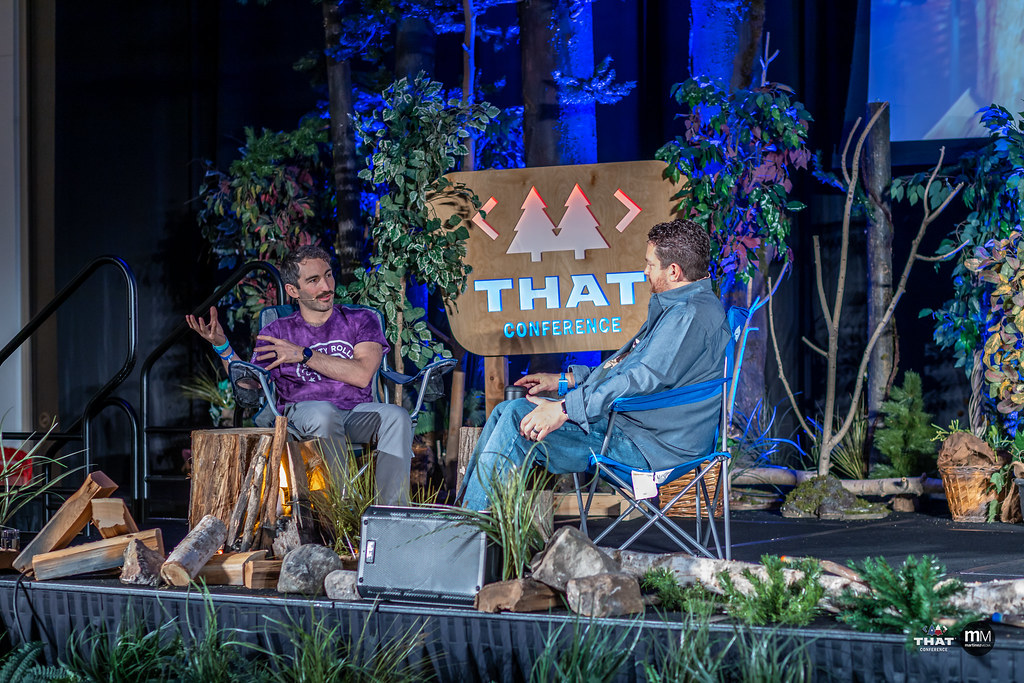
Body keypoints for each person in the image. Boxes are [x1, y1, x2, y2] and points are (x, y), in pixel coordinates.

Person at [460, 218, 731, 511]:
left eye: (651, 264)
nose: (645, 271)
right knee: (505, 411)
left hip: (651, 446)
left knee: (516, 418)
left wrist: (565, 409)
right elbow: (626, 367)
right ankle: (466, 518)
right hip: (641, 428)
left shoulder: (686, 316)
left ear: (674, 271)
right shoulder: (687, 306)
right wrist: (565, 381)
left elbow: (638, 378)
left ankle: (467, 531)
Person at [186, 245, 413, 505]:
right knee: (323, 414)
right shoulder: (278, 331)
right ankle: (339, 509)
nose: (326, 286)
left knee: (397, 417)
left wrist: (303, 354)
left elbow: (362, 375)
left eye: (328, 275)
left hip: (355, 412)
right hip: (302, 415)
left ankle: (391, 514)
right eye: (313, 280)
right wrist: (223, 346)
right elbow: (250, 385)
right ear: (293, 291)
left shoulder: (361, 319)